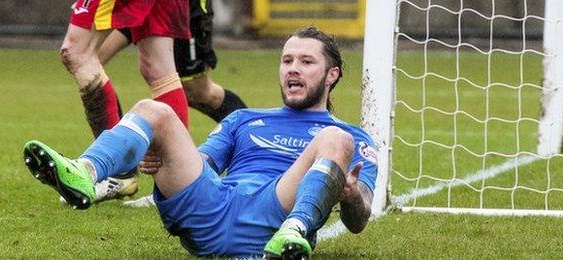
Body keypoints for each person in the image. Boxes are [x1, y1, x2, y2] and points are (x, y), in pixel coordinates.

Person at [23, 27, 377, 258]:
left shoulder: (353, 138)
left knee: (335, 137)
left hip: (275, 211)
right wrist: (163, 158)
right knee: (153, 110)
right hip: (213, 210)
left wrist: (348, 196)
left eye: (306, 62)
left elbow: (360, 219)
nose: (293, 69)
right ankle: (85, 172)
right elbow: (202, 162)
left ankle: (294, 232)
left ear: (332, 75)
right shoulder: (243, 118)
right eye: (287, 61)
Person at [75, 0, 247, 206]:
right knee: (90, 58)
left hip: (184, 6)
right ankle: (120, 173)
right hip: (138, 4)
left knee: (197, 90)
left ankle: (254, 139)